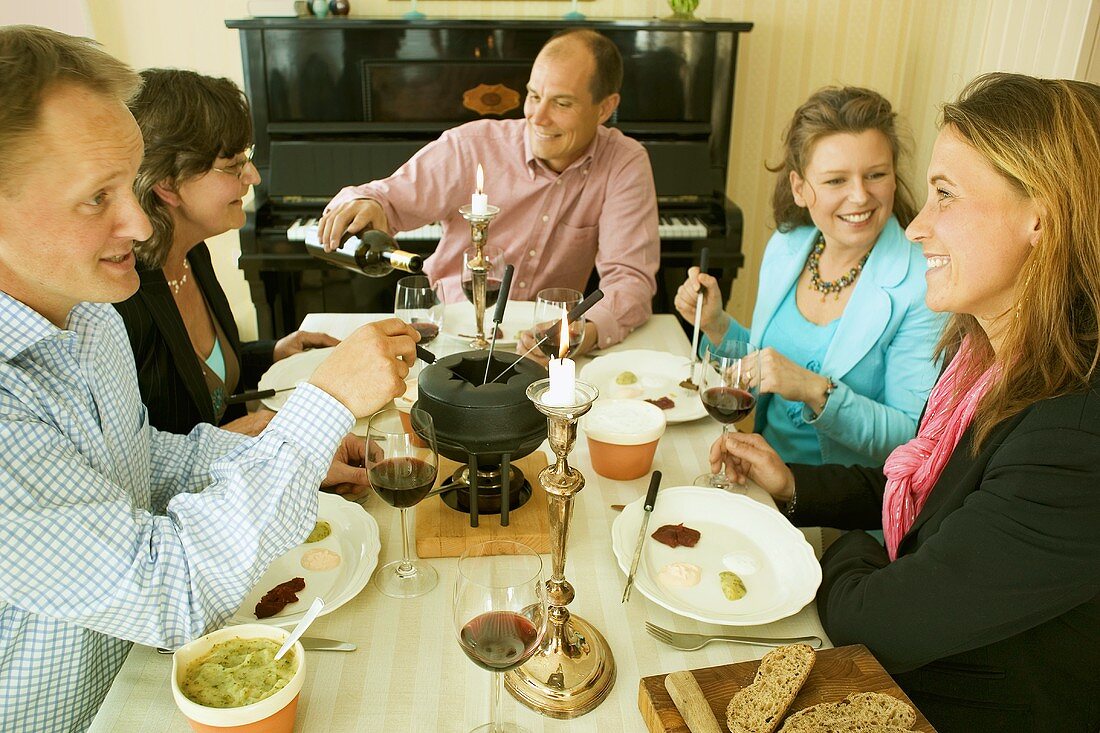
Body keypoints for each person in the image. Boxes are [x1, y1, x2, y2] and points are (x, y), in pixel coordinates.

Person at [0, 26, 418, 733]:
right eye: (96, 198)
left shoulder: (89, 316)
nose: (138, 220)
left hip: (146, 667)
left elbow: (145, 459)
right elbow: (171, 587)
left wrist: (292, 446)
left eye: (128, 181)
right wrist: (323, 404)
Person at [717, 73, 1100, 732]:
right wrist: (792, 486)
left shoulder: (1075, 435)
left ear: (1043, 215)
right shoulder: (986, 362)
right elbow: (922, 481)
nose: (916, 224)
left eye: (945, 195)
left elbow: (877, 620)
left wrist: (833, 549)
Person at [317, 28, 660, 355]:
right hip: (451, 334)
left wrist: (579, 334)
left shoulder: (623, 161)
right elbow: (384, 198)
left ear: (604, 108)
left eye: (562, 103)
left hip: (545, 348)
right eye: (534, 96)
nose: (537, 118)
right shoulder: (471, 146)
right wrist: (365, 202)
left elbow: (629, 279)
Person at [675, 87, 944, 466]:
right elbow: (767, 366)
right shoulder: (787, 245)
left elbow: (909, 437)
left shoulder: (922, 284)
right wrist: (718, 325)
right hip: (763, 470)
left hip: (840, 509)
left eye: (876, 175)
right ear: (799, 188)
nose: (860, 196)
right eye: (836, 181)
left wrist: (812, 389)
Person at [114, 69, 338, 436]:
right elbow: (138, 459)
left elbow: (204, 376)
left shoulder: (193, 251)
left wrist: (273, 353)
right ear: (168, 184)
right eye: (233, 165)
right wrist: (233, 437)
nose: (253, 176)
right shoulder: (122, 298)